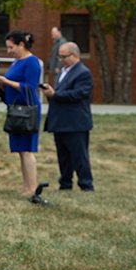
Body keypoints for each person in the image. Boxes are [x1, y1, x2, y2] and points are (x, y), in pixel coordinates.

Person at [0, 30, 42, 196]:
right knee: (20, 150)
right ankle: (26, 187)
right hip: (15, 109)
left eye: (11, 47)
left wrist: (6, 81)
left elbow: (29, 86)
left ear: (21, 44)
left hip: (28, 110)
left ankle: (32, 188)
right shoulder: (16, 62)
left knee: (27, 149)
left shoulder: (32, 62)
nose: (9, 51)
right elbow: (11, 84)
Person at [43, 42, 94, 192]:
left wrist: (56, 94)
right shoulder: (62, 72)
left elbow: (80, 94)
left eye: (64, 56)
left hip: (75, 123)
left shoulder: (83, 72)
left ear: (75, 55)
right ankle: (65, 184)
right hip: (60, 121)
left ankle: (86, 185)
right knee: (63, 157)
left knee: (79, 157)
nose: (61, 59)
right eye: (59, 56)